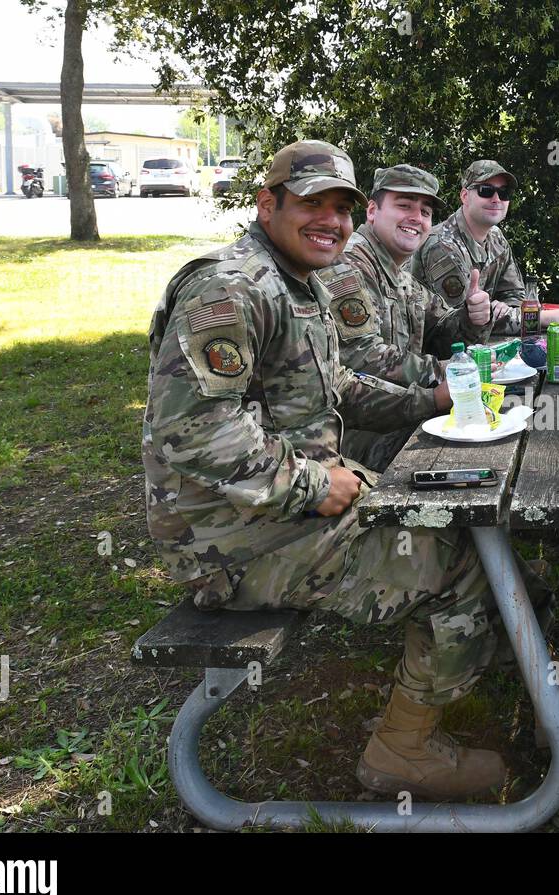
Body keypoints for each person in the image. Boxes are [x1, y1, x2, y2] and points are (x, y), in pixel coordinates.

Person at [143, 140, 525, 800]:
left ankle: (542, 680)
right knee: (462, 555)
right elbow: (195, 430)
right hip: (231, 540)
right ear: (267, 204)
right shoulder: (231, 288)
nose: (331, 220)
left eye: (341, 207)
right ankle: (403, 748)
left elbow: (340, 384)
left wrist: (427, 399)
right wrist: (318, 484)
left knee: (463, 511)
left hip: (280, 511)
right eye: (312, 203)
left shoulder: (295, 282)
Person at [335, 164, 495, 470]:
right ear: (372, 211)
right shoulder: (349, 267)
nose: (416, 218)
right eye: (404, 205)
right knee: (471, 457)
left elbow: (444, 330)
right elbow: (362, 356)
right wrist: (439, 370)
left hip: (401, 418)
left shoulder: (399, 273)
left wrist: (472, 317)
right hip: (355, 439)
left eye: (425, 212)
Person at [411, 159, 559, 333]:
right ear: (464, 196)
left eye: (504, 193)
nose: (496, 199)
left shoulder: (495, 236)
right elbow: (465, 322)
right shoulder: (442, 246)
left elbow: (515, 295)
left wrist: (503, 307)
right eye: (486, 191)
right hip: (429, 352)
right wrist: (540, 318)